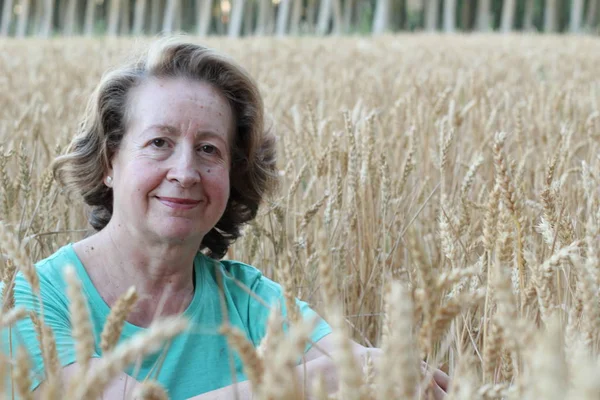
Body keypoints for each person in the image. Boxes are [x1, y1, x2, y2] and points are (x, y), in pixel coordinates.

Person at [2, 37, 449, 399]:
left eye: (209, 149)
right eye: (159, 142)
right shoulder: (29, 303)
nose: (185, 172)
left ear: (233, 175)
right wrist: (313, 382)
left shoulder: (247, 296)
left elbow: (364, 368)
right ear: (108, 161)